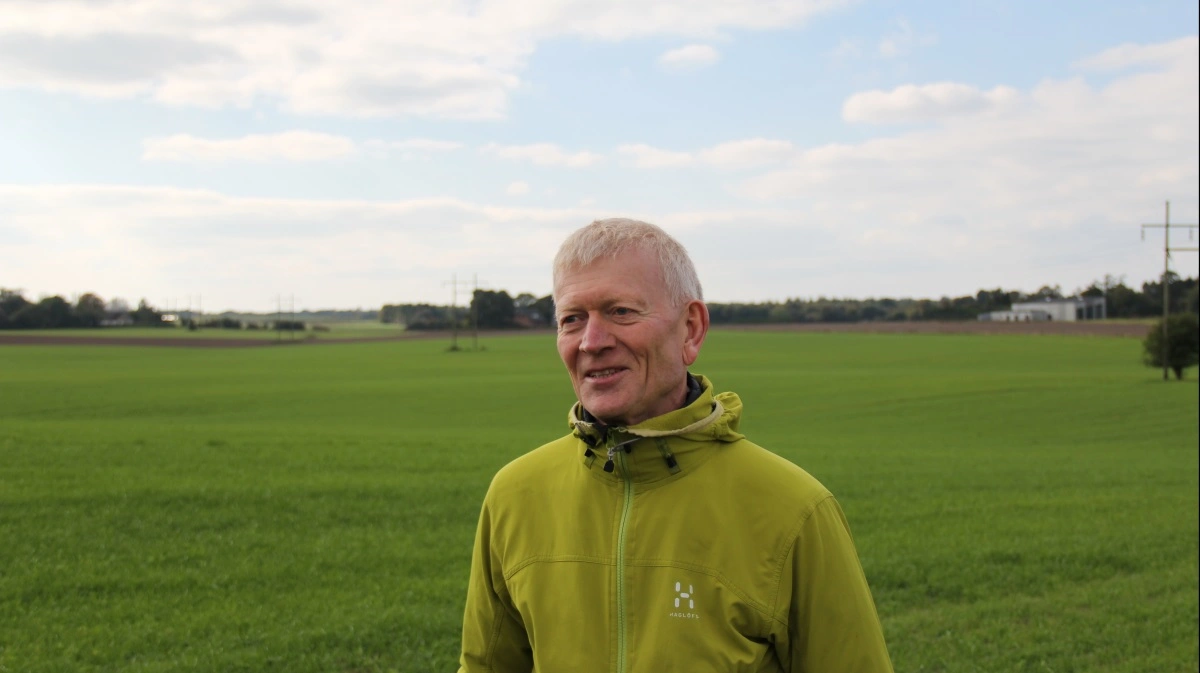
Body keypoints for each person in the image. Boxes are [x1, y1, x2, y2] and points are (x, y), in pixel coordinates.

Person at [458, 218, 893, 672]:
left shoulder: (796, 510)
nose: (592, 341)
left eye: (621, 311)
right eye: (572, 319)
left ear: (691, 330)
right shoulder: (514, 494)